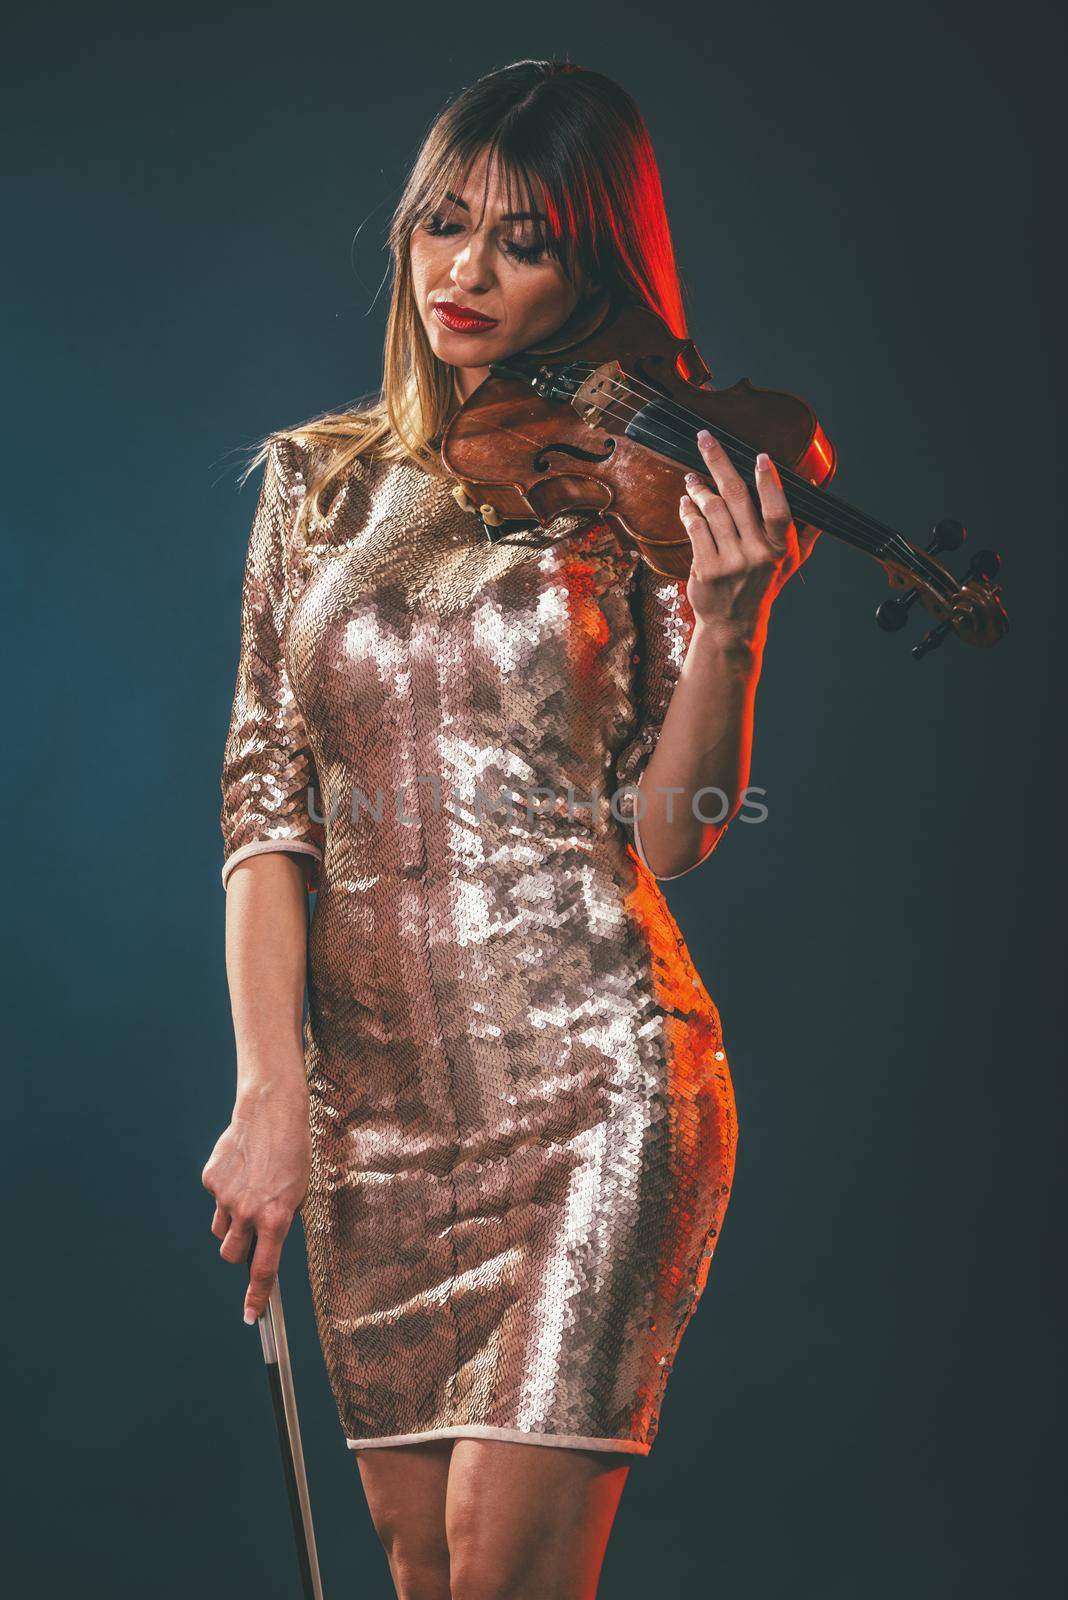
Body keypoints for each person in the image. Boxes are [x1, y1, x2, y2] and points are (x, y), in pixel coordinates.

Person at [202, 58, 818, 1600]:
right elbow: (266, 799)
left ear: (593, 268)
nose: (463, 273)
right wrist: (273, 1095)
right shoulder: (315, 484)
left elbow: (676, 836)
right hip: (372, 1120)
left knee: (501, 1575)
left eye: (524, 243)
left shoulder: (644, 491)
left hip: (590, 1085)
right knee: (423, 1569)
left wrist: (730, 627)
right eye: (442, 224)